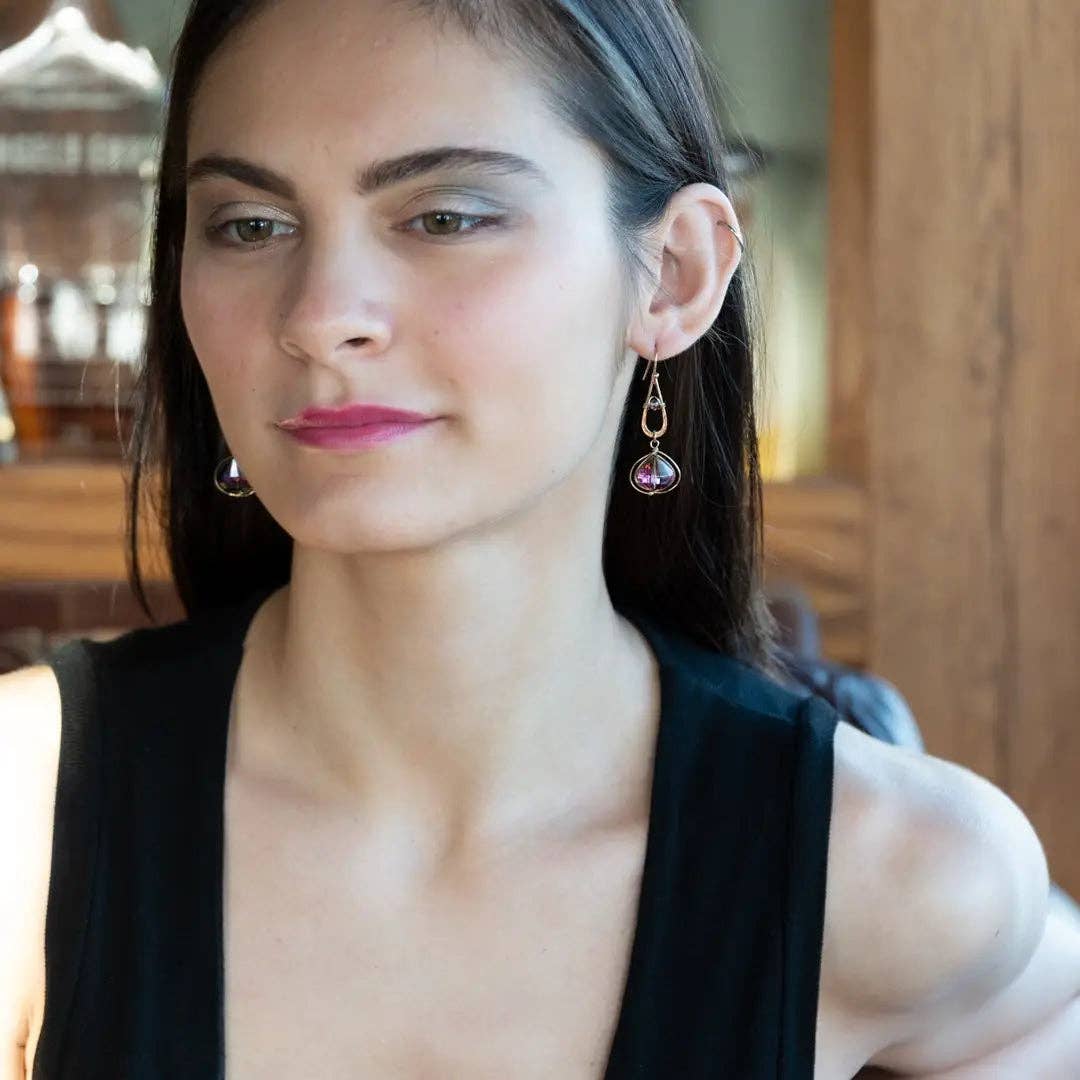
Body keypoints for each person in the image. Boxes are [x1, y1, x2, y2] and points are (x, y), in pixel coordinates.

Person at [0, 1, 1066, 1077]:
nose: (319, 316)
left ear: (676, 273)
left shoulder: (893, 873)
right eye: (250, 226)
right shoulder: (23, 815)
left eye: (444, 217)